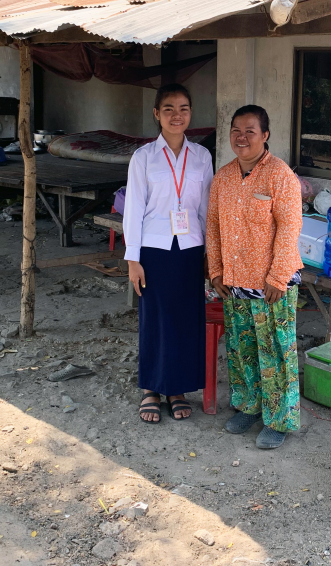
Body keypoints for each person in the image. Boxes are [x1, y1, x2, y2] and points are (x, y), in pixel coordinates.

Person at [206, 105, 304, 449]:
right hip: (235, 282)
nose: (241, 137)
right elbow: (213, 227)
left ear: (265, 135)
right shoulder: (223, 177)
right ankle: (249, 406)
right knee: (242, 348)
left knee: (275, 351)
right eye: (236, 130)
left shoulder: (280, 176)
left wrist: (278, 276)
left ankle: (280, 419)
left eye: (250, 130)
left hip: (271, 283)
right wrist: (216, 270)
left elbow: (291, 228)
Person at [123, 83, 213, 423]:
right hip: (154, 249)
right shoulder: (144, 157)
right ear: (156, 114)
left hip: (190, 247)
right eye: (170, 109)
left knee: (186, 318)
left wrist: (209, 253)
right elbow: (133, 209)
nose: (177, 115)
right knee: (156, 316)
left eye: (184, 108)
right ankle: (151, 388)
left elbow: (206, 209)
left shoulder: (202, 157)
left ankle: (176, 388)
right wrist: (133, 259)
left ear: (191, 113)